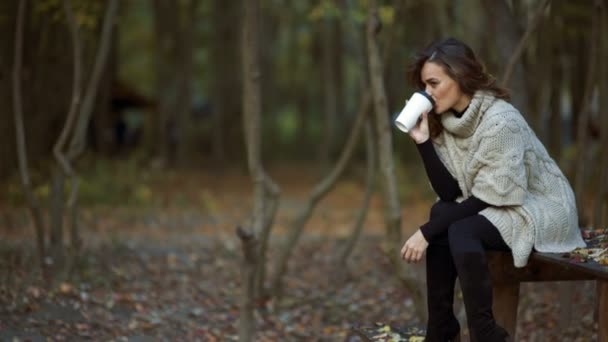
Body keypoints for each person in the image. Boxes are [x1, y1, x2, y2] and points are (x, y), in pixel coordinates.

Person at [398, 37, 586, 342]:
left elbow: (490, 196)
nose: (427, 93)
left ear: (459, 76)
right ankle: (442, 330)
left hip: (542, 206)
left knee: (460, 229)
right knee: (442, 212)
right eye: (424, 85)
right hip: (496, 203)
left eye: (433, 83)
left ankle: (486, 332)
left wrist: (427, 232)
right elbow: (450, 194)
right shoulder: (445, 121)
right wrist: (423, 143)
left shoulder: (501, 120)